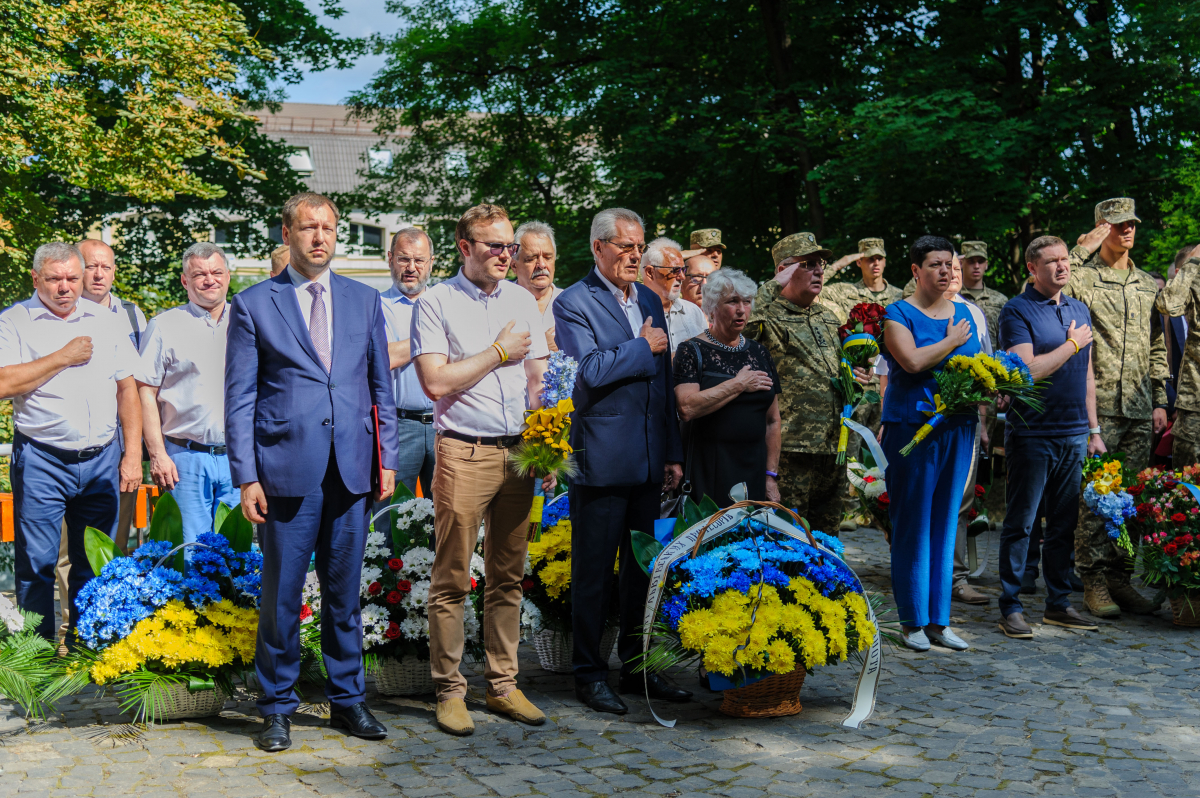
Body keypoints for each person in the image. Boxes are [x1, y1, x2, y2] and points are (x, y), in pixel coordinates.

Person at [226, 192, 398, 752]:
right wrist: (247, 476)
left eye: (326, 227)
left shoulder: (364, 300)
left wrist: (387, 458)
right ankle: (276, 706)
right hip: (284, 472)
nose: (318, 237)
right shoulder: (254, 305)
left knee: (344, 594)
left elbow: (381, 388)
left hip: (351, 470)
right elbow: (240, 399)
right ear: (287, 233)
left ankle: (348, 701)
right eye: (307, 228)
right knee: (280, 596)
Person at [411, 204, 552, 736]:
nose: (505, 254)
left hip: (521, 451)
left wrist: (550, 441)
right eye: (493, 245)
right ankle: (449, 691)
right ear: (464, 246)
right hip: (463, 450)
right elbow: (436, 383)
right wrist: (497, 351)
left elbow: (539, 380)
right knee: (451, 577)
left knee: (508, 576)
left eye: (509, 245)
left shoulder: (521, 299)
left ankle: (503, 685)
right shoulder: (435, 301)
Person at [553, 207, 690, 715]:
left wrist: (673, 450)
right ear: (598, 248)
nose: (635, 255)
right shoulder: (573, 302)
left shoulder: (651, 296)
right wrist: (642, 345)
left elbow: (663, 383)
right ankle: (589, 674)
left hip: (651, 456)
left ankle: (637, 668)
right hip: (603, 458)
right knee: (593, 573)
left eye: (640, 247)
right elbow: (586, 371)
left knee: (642, 570)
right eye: (625, 247)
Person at [0, 243, 142, 640]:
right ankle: (39, 655)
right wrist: (62, 356)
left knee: (94, 563)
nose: (65, 287)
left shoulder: (105, 319)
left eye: (72, 279)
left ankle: (89, 646)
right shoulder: (14, 321)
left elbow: (126, 389)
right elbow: (3, 382)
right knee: (38, 564)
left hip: (101, 459)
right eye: (54, 279)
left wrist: (132, 454)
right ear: (35, 279)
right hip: (43, 459)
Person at [1064, 198, 1166, 617]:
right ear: (1101, 229)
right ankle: (1093, 580)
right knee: (1095, 496)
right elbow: (1041, 287)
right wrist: (1083, 246)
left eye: (1131, 225)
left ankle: (1122, 578)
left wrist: (1162, 400)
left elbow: (1159, 344)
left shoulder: (1148, 284)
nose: (1127, 231)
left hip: (1141, 406)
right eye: (1117, 225)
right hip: (1099, 405)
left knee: (1133, 499)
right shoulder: (1083, 278)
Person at [995, 236, 1101, 639]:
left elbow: (1088, 375)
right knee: (1022, 523)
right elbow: (1027, 372)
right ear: (1031, 269)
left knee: (1063, 524)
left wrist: (1093, 429)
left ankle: (1058, 604)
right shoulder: (1016, 310)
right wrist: (1073, 343)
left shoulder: (1078, 308)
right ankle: (1011, 606)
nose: (1062, 266)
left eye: (1065, 259)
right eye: (1052, 261)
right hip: (1033, 433)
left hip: (1074, 433)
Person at [879, 235, 979, 653]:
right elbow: (913, 361)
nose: (944, 271)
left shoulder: (966, 313)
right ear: (916, 271)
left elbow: (980, 366)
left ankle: (940, 620)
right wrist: (952, 342)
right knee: (914, 524)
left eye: (948, 264)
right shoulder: (896, 313)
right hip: (912, 430)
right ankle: (911, 621)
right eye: (935, 264)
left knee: (947, 522)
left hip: (959, 427)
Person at [747, 232, 868, 536]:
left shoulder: (828, 317)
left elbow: (836, 370)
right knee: (787, 535)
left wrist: (853, 377)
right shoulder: (767, 314)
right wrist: (773, 286)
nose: (819, 270)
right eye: (808, 264)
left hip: (832, 446)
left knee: (827, 537)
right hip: (791, 447)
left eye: (821, 264)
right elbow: (743, 332)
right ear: (783, 271)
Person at [137, 243, 238, 553]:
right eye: (199, 274)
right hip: (184, 459)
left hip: (239, 459)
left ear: (228, 276)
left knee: (238, 554)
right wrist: (157, 454)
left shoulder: (247, 322)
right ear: (185, 281)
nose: (210, 280)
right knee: (189, 553)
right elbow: (145, 393)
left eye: (216, 272)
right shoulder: (165, 326)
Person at [675, 268, 781, 505]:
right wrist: (738, 384)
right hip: (709, 468)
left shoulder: (760, 352)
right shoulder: (691, 350)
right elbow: (687, 408)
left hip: (753, 469)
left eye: (747, 301)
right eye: (732, 302)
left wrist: (770, 475)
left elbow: (773, 420)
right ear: (712, 307)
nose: (742, 309)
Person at [819, 237, 904, 530]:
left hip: (890, 384)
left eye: (879, 258)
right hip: (857, 385)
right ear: (860, 261)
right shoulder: (845, 293)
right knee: (853, 448)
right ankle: (851, 509)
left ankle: (881, 507)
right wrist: (840, 261)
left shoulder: (901, 294)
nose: (875, 263)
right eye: (869, 258)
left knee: (887, 448)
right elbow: (816, 289)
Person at [379, 228, 437, 499]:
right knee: (392, 518)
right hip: (398, 428)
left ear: (431, 262)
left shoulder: (446, 303)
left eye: (419, 260)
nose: (411, 268)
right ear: (390, 258)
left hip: (445, 425)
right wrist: (435, 337)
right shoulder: (375, 306)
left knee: (448, 518)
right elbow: (383, 358)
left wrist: (405, 347)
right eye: (403, 259)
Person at [1157, 243, 1200, 466]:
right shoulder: (1189, 282)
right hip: (1194, 403)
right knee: (1188, 486)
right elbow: (1168, 304)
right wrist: (1192, 263)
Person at [641, 238, 708, 356]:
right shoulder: (633, 313)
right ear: (650, 273)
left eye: (683, 270)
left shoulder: (693, 311)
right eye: (675, 270)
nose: (682, 277)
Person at [513, 221, 563, 352]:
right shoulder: (499, 302)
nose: (541, 264)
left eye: (548, 257)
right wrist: (541, 346)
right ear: (514, 266)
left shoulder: (572, 303)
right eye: (531, 258)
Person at [958, 241, 1009, 350]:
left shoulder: (1000, 300)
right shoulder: (952, 297)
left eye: (980, 262)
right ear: (961, 263)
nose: (976, 266)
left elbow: (1006, 339)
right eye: (971, 261)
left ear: (986, 264)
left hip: (992, 363)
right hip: (957, 363)